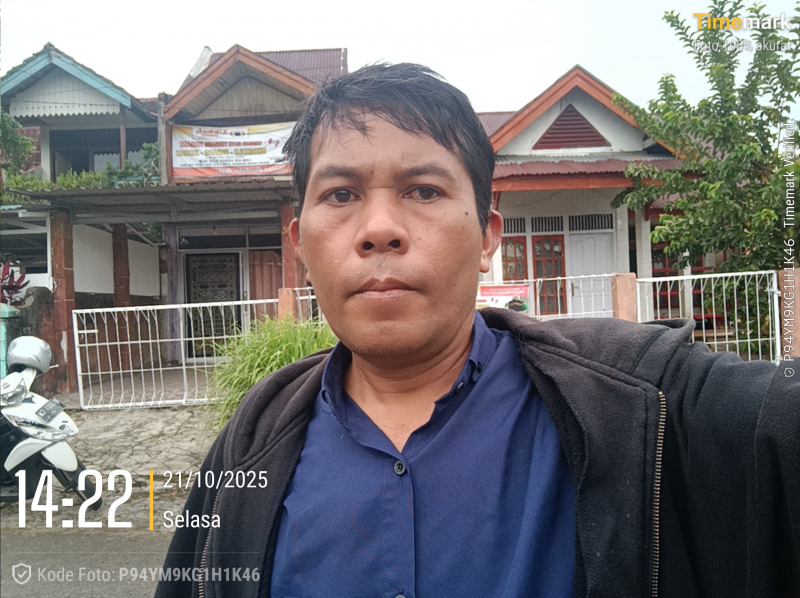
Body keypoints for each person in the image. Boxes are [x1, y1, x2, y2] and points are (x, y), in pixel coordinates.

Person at [155, 63, 798, 598]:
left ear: (488, 236)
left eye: (423, 190)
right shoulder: (253, 441)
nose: (379, 229)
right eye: (341, 195)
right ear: (300, 244)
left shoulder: (644, 402)